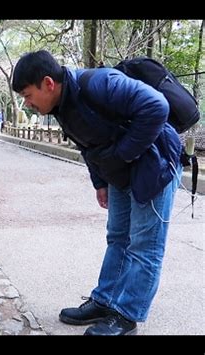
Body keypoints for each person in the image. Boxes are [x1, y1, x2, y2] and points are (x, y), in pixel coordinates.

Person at [12, 50, 183, 336]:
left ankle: (127, 315)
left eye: (28, 95)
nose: (27, 104)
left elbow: (157, 107)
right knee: (117, 237)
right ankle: (105, 301)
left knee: (145, 245)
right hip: (119, 172)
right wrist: (100, 182)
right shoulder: (62, 106)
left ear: (48, 83)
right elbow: (87, 144)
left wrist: (122, 155)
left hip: (155, 165)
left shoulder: (100, 83)